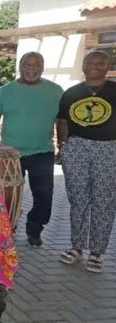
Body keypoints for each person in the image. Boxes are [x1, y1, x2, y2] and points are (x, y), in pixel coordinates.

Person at [0, 52, 63, 247]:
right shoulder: (5, 91)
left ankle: (34, 228)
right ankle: (8, 229)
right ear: (20, 67)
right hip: (10, 154)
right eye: (27, 64)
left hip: (42, 152)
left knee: (44, 195)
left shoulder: (56, 91)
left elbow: (61, 121)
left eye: (36, 65)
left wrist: (62, 146)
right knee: (9, 196)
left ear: (42, 67)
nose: (31, 69)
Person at [57, 50, 116, 273]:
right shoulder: (72, 93)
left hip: (108, 148)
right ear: (83, 66)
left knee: (104, 200)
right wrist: (63, 146)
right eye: (90, 62)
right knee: (78, 199)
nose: (94, 66)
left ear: (108, 67)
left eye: (100, 63)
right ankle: (77, 246)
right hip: (77, 146)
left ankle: (97, 253)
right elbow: (62, 121)